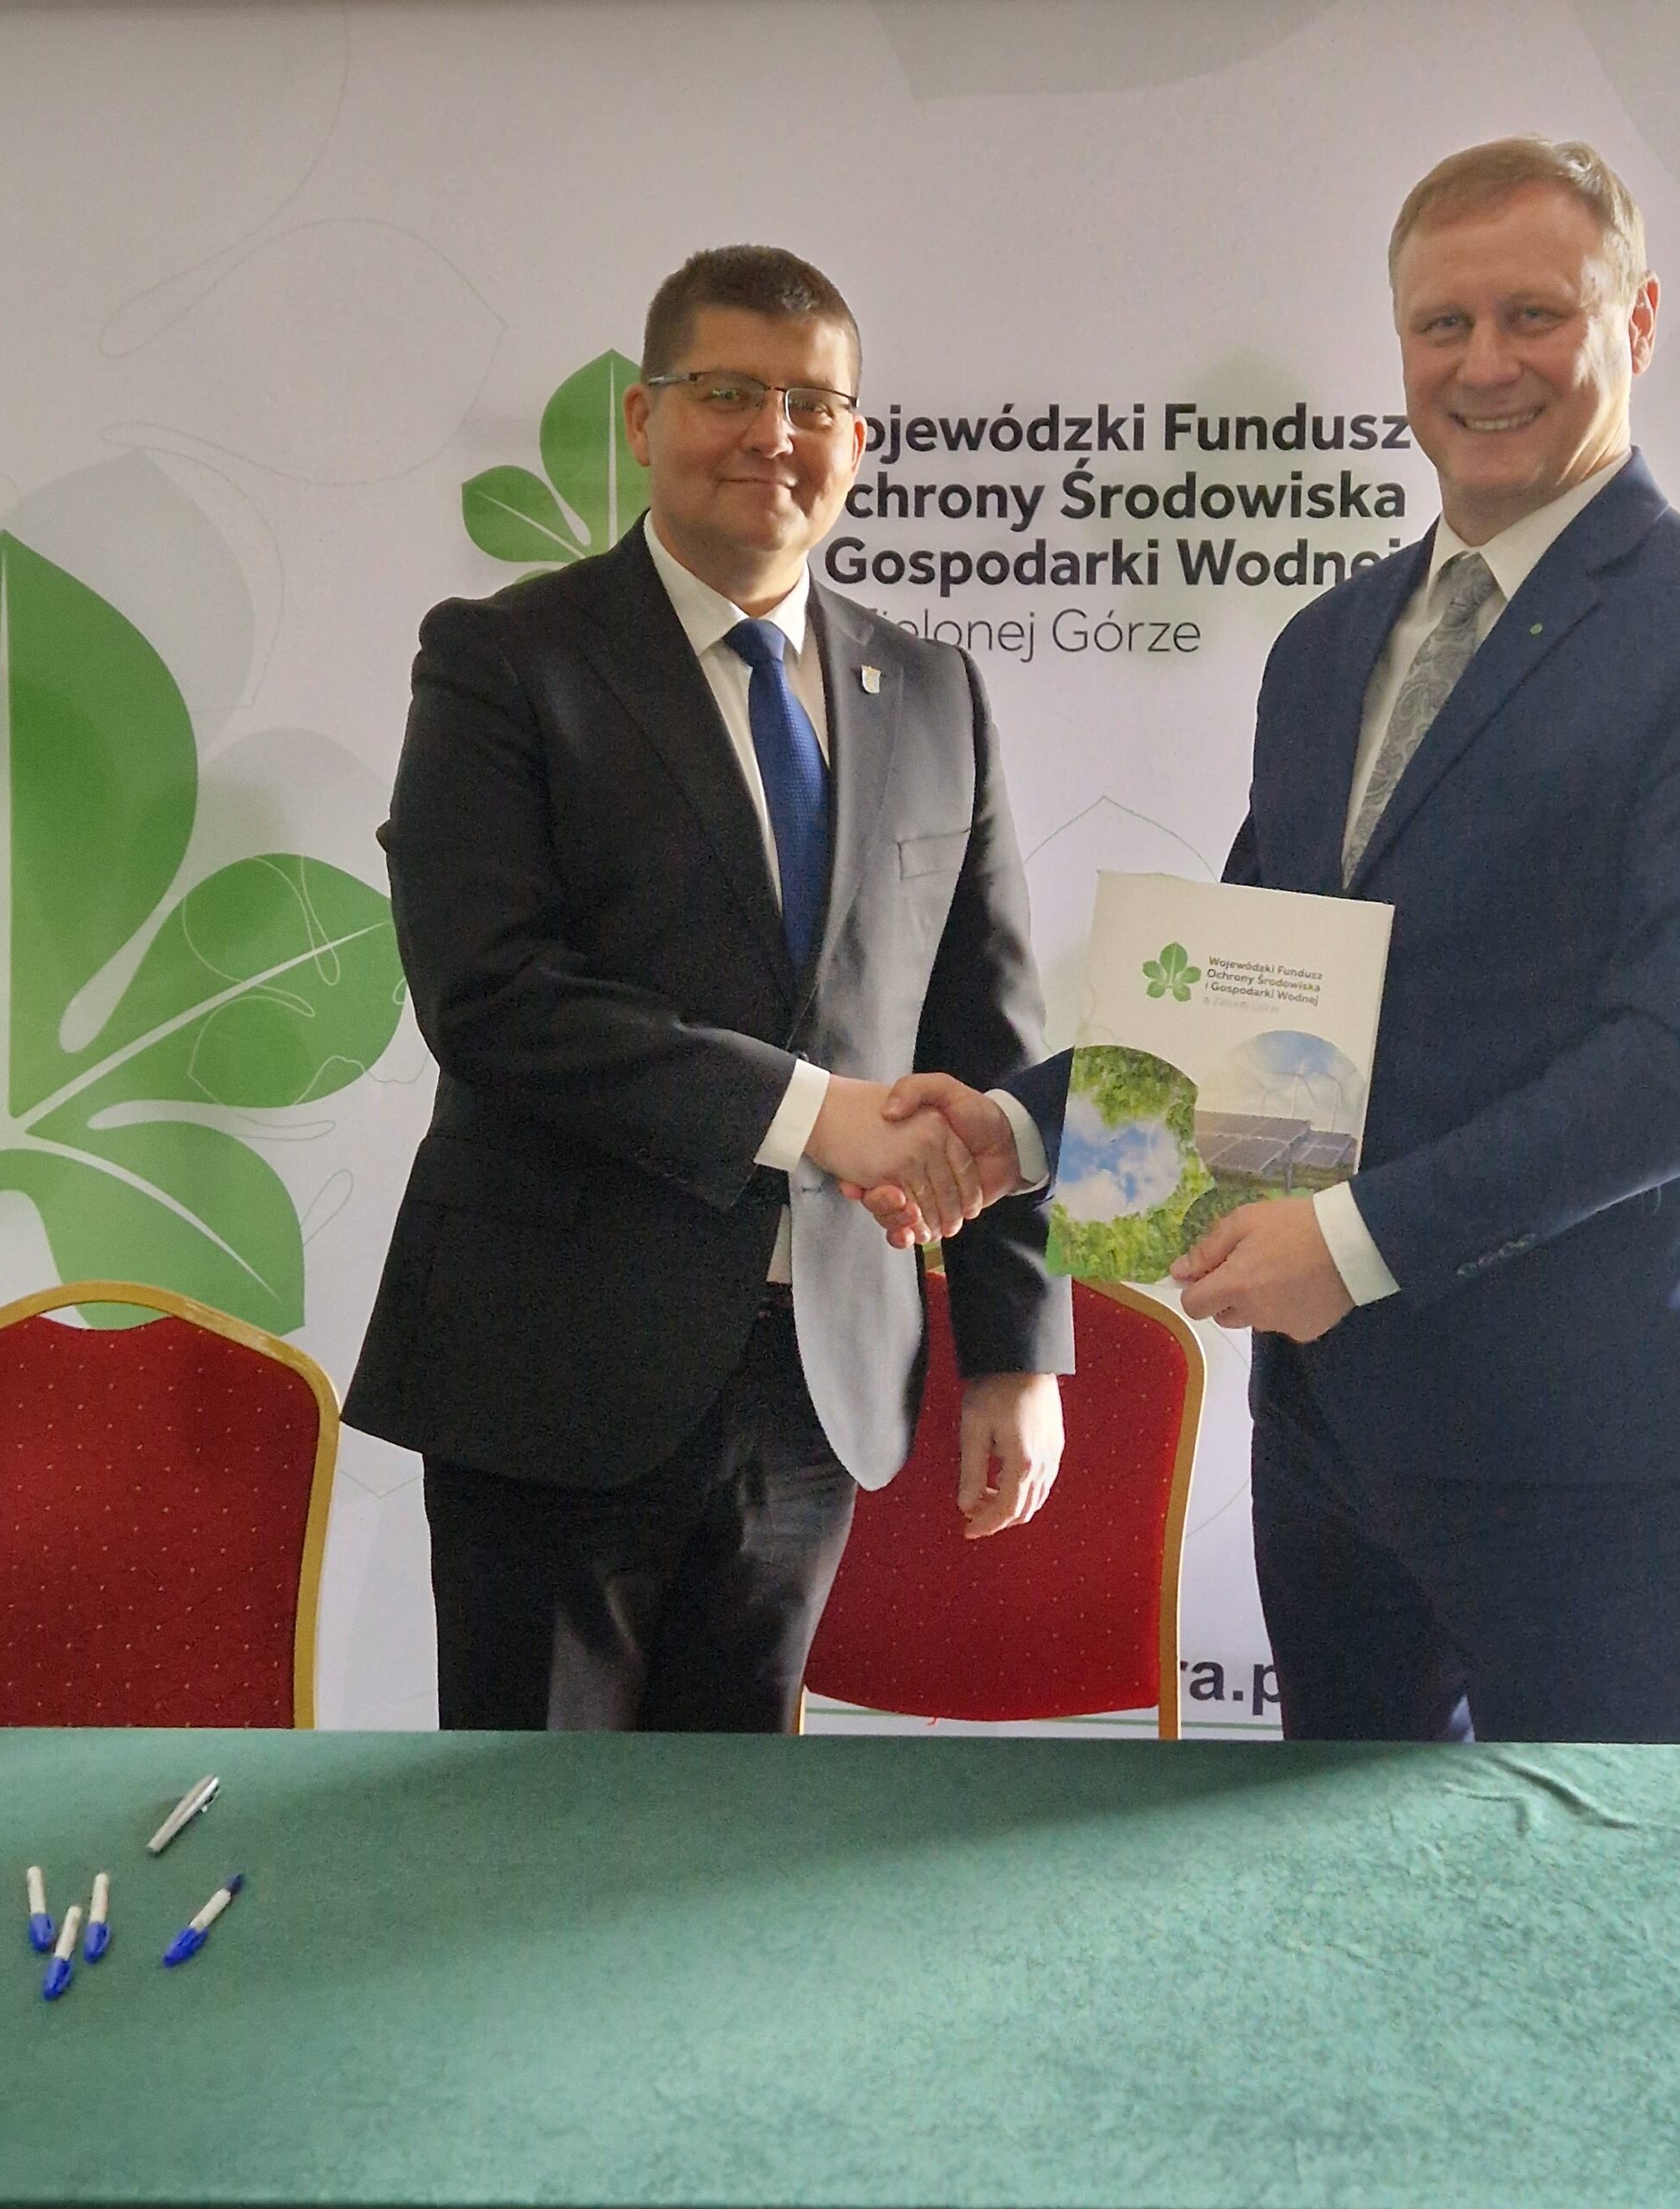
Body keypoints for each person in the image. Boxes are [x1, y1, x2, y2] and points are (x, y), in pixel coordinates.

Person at [855, 139, 1680, 1746]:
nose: (1483, 363)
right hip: (1328, 1428)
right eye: (1440, 324)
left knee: (1594, 1886)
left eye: (1533, 315)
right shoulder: (1328, 644)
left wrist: (1355, 1242)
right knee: (1338, 1880)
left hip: (1587, 1442)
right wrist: (1015, 1129)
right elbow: (1245, 990)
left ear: (1636, 320)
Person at [345, 245, 1071, 1733]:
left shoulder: (936, 694)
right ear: (641, 417)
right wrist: (812, 1116)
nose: (772, 436)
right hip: (554, 1368)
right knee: (537, 1832)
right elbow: (490, 996)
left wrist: (1014, 1354)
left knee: (733, 1829)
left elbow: (991, 1035)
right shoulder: (501, 660)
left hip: (821, 1380)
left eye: (813, 404)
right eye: (727, 392)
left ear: (857, 438)